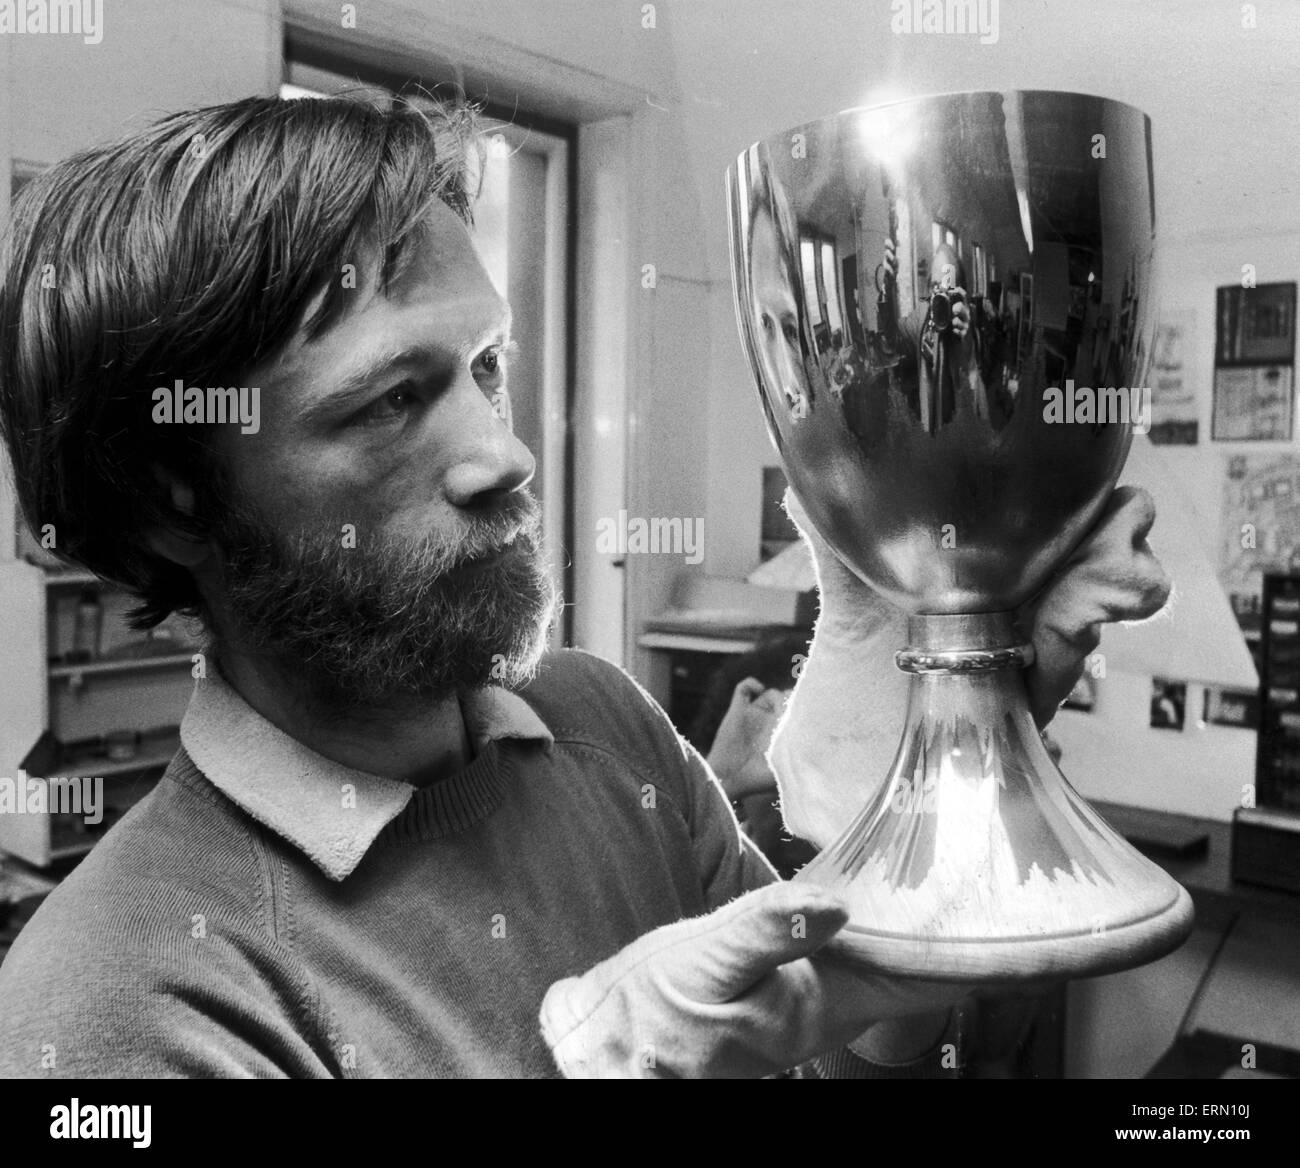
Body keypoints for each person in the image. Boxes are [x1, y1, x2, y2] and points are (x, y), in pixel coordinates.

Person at [0, 95, 1170, 1078]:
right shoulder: (111, 1002)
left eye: (488, 367)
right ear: (173, 496)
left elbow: (834, 1054)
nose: (503, 456)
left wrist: (930, 750)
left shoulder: (603, 723)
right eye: (390, 399)